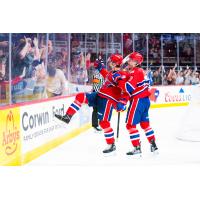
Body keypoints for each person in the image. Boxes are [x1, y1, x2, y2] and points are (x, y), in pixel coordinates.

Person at [54, 54, 128, 155]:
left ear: (114, 63)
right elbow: (105, 74)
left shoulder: (119, 76)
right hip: (99, 95)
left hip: (107, 101)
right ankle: (67, 117)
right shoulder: (112, 73)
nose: (109, 63)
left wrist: (123, 101)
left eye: (111, 61)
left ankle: (111, 144)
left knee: (103, 123)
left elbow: (125, 90)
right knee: (80, 97)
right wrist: (99, 66)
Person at [112, 52, 158, 156]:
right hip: (145, 101)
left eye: (131, 60)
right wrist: (123, 74)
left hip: (137, 101)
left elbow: (128, 88)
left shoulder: (136, 72)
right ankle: (153, 145)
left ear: (136, 62)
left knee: (130, 125)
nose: (128, 61)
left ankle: (137, 147)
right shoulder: (140, 71)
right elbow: (133, 80)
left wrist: (120, 80)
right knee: (145, 124)